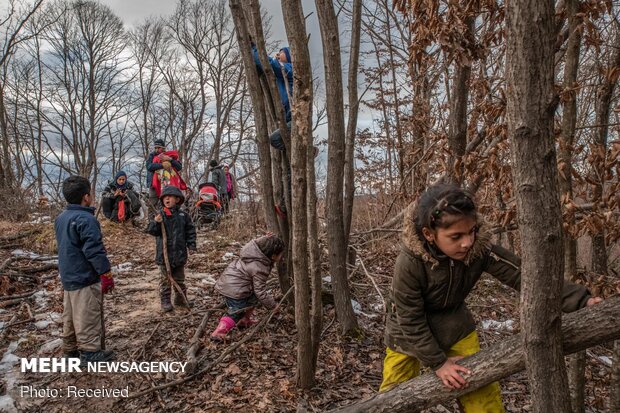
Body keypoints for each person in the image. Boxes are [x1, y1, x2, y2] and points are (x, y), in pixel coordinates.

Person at [381, 184, 603, 410]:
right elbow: (410, 318)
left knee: (480, 389)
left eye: (471, 231)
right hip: (407, 334)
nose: (467, 242)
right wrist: (439, 364)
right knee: (394, 394)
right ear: (429, 234)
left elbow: (523, 275)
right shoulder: (410, 263)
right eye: (456, 236)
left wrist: (580, 299)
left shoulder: (479, 250)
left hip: (454, 326)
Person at [54, 175, 115, 365]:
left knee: (70, 314)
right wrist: (105, 274)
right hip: (85, 276)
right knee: (88, 313)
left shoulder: (61, 218)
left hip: (68, 275)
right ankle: (90, 352)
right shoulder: (86, 219)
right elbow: (94, 250)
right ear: (86, 197)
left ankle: (70, 349)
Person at [210, 235, 285, 341]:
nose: (282, 256)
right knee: (236, 312)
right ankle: (218, 333)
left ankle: (244, 320)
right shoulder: (260, 267)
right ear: (273, 256)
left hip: (230, 284)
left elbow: (255, 241)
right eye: (281, 254)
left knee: (253, 298)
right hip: (235, 290)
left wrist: (265, 237)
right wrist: (273, 307)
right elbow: (260, 291)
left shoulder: (253, 252)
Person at [146, 185, 197, 312]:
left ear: (178, 199)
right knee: (165, 280)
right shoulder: (160, 215)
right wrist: (156, 223)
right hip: (164, 256)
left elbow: (190, 231)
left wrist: (191, 245)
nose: (167, 200)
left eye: (170, 197)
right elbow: (152, 231)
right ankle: (165, 301)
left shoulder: (183, 216)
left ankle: (180, 299)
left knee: (179, 279)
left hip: (179, 254)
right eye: (165, 198)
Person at [252, 44, 293, 151]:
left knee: (275, 139)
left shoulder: (291, 68)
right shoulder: (280, 76)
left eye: (282, 52)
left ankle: (305, 151)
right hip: (287, 118)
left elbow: (269, 64)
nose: (278, 54)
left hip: (295, 119)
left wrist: (254, 48)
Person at [146, 139, 182, 211]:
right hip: (153, 183)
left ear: (163, 148)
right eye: (155, 147)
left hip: (167, 184)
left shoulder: (169, 155)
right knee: (153, 203)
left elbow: (179, 167)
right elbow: (149, 167)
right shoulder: (151, 155)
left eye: (159, 147)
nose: (157, 149)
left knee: (167, 203)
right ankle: (151, 221)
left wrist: (170, 159)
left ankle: (168, 219)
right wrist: (162, 165)